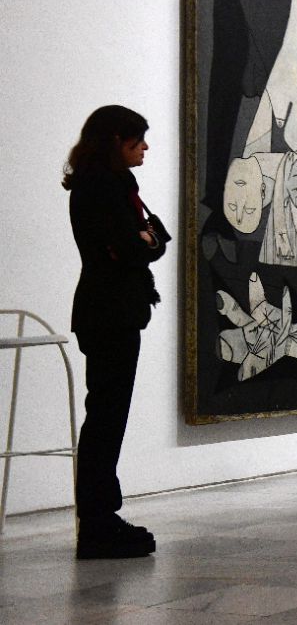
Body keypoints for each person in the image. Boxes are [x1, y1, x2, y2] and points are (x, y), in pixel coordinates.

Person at [64, 106, 166, 559]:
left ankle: (100, 517)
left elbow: (150, 239)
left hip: (111, 311)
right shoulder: (101, 186)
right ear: (115, 141)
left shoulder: (110, 184)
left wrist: (143, 241)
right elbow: (131, 247)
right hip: (108, 313)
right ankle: (98, 521)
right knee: (106, 419)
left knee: (106, 417)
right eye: (137, 140)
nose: (145, 148)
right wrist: (141, 241)